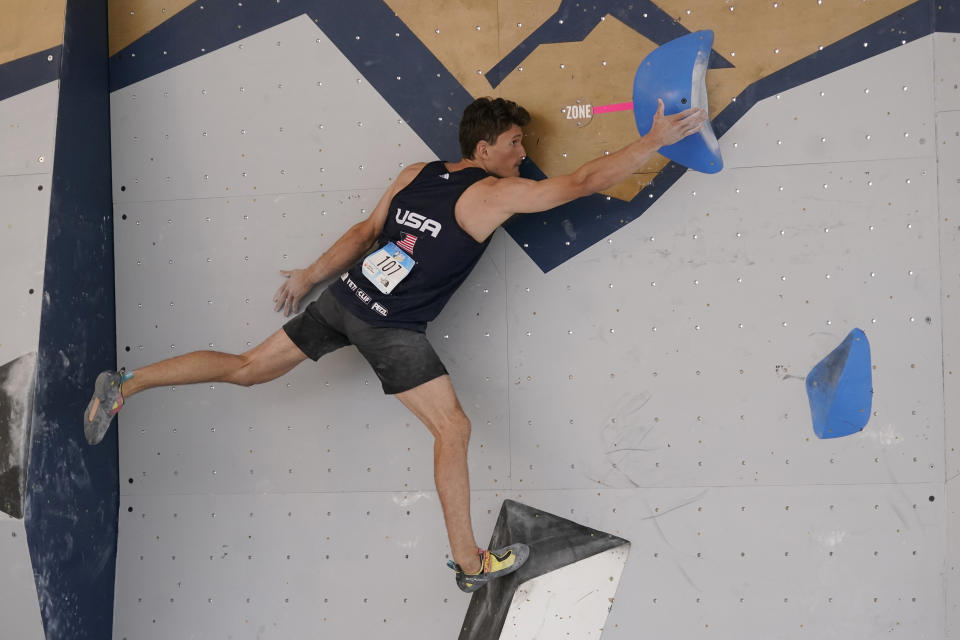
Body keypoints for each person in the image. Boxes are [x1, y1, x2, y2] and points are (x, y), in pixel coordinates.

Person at [84, 96, 706, 592]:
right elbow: (579, 184)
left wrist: (308, 277)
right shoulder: (491, 193)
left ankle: (125, 385)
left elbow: (366, 232)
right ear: (485, 147)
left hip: (345, 300)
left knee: (247, 366)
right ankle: (470, 562)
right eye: (516, 144)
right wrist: (652, 141)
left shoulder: (419, 172)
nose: (524, 155)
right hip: (389, 327)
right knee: (453, 431)